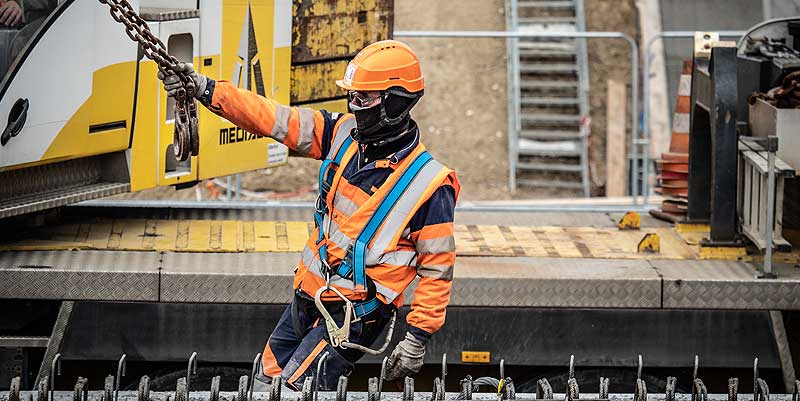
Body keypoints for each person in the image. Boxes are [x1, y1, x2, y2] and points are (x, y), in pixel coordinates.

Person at [159, 40, 459, 389]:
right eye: (352, 97)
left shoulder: (429, 184)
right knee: (263, 383)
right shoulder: (341, 133)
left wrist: (416, 338)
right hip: (309, 296)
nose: (353, 106)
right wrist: (207, 90)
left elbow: (437, 268)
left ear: (395, 102)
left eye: (363, 99)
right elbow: (273, 118)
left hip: (354, 315)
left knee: (293, 392)